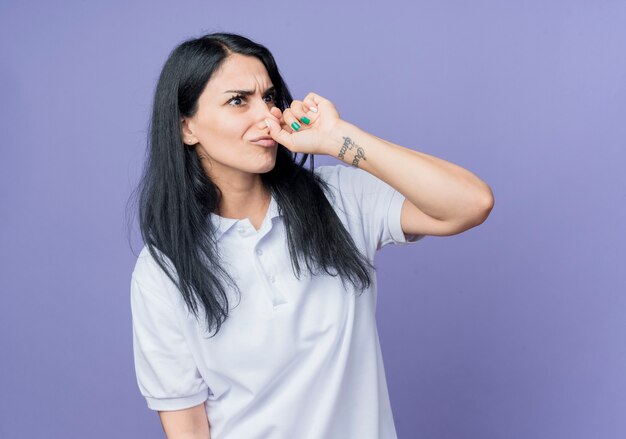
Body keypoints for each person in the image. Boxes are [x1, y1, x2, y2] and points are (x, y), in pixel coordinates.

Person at [129, 32, 494, 439]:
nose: (267, 116)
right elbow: (187, 429)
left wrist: (338, 140)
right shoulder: (163, 269)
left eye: (269, 98)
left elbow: (471, 203)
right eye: (238, 101)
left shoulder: (339, 200)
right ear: (186, 128)